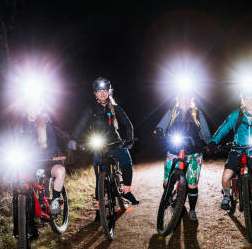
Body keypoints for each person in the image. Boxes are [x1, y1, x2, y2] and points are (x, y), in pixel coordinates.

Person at [68, 77, 138, 221]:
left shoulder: (115, 108)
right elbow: (81, 124)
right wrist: (74, 139)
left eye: (104, 91)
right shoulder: (91, 109)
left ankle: (127, 191)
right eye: (99, 91)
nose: (102, 94)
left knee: (126, 160)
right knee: (100, 177)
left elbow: (127, 124)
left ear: (108, 92)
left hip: (115, 142)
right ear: (95, 93)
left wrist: (129, 139)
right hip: (98, 144)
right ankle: (100, 210)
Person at [207, 88, 252, 210]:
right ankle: (227, 196)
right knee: (226, 176)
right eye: (247, 98)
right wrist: (213, 141)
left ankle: (251, 199)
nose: (250, 101)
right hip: (237, 149)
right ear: (243, 100)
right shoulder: (236, 115)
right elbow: (223, 128)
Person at [154, 93, 211, 221]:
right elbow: (161, 125)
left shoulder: (197, 113)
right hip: (174, 150)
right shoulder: (172, 112)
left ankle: (192, 210)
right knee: (167, 182)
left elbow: (206, 133)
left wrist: (208, 143)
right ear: (177, 98)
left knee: (192, 184)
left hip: (193, 152)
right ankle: (168, 199)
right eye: (181, 97)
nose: (184, 99)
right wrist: (159, 131)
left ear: (192, 99)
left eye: (187, 97)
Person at [13, 105, 66, 215]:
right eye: (30, 106)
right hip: (30, 163)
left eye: (35, 106)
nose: (32, 110)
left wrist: (48, 155)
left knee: (60, 171)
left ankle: (55, 200)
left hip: (48, 161)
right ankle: (26, 214)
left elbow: (52, 143)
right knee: (21, 181)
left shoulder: (46, 121)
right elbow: (13, 140)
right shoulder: (20, 124)